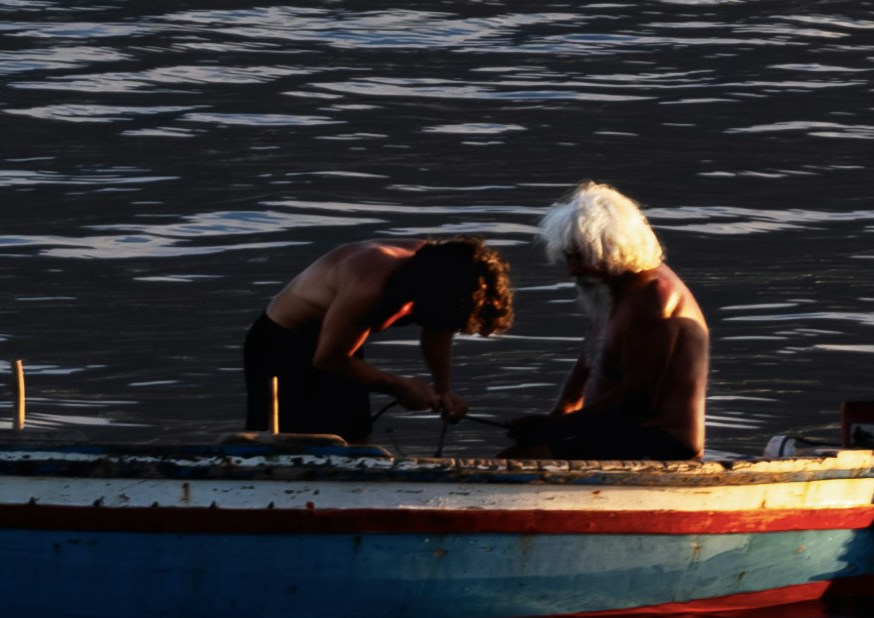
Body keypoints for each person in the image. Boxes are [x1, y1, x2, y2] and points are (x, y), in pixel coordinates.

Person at [242, 233, 514, 441]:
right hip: (282, 345)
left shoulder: (443, 271)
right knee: (285, 442)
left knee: (354, 439)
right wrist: (399, 385)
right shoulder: (369, 286)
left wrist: (444, 389)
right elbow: (327, 359)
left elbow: (438, 327)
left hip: (341, 346)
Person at [512, 179, 710, 459]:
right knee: (524, 452)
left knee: (524, 459)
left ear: (611, 249)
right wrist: (557, 415)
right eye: (568, 258)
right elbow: (588, 362)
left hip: (662, 444)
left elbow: (638, 405)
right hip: (614, 434)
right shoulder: (609, 290)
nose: (572, 270)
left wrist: (553, 429)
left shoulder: (655, 299)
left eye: (580, 258)